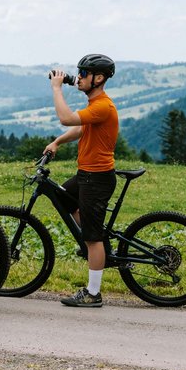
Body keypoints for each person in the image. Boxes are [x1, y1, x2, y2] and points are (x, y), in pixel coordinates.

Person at [45, 54, 119, 308]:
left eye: (84, 73)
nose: (80, 77)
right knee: (63, 198)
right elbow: (79, 128)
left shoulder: (103, 106)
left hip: (96, 179)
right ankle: (96, 245)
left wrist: (57, 88)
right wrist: (57, 142)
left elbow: (67, 118)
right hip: (86, 175)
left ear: (98, 78)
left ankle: (93, 293)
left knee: (92, 237)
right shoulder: (94, 105)